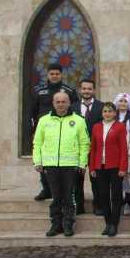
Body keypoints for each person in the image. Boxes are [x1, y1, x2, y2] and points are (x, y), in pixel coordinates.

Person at [32, 92, 89, 237]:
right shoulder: (44, 120)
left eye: (64, 101)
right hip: (50, 165)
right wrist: (38, 161)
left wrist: (82, 163)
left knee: (69, 197)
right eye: (58, 102)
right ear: (53, 103)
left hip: (70, 165)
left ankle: (68, 225)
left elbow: (84, 143)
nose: (61, 104)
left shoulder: (78, 120)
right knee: (56, 197)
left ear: (69, 103)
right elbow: (37, 142)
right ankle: (56, 225)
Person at [30, 63, 78, 201]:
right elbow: (32, 112)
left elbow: (75, 111)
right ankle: (46, 189)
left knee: (60, 161)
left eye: (57, 73)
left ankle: (63, 189)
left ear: (61, 74)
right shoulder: (39, 90)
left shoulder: (69, 90)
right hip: (44, 130)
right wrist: (33, 131)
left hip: (64, 129)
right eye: (52, 73)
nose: (54, 76)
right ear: (48, 75)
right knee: (44, 159)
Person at [88, 102, 129, 237]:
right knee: (103, 196)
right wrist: (92, 167)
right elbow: (93, 148)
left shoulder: (120, 127)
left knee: (116, 196)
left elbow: (124, 148)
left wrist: (123, 167)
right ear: (102, 113)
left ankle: (114, 223)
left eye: (110, 111)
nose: (107, 114)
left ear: (115, 113)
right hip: (100, 167)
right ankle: (107, 223)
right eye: (105, 111)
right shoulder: (96, 127)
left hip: (115, 167)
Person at [71, 79, 103, 215]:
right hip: (77, 149)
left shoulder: (102, 107)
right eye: (84, 89)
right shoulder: (73, 107)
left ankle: (98, 206)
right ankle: (79, 206)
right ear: (80, 90)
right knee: (77, 178)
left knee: (96, 179)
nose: (86, 91)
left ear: (94, 90)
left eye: (89, 89)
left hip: (96, 149)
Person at [114, 93, 130, 216]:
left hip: (128, 151)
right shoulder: (111, 116)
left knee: (127, 178)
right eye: (120, 101)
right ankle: (118, 202)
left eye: (125, 101)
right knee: (116, 178)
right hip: (114, 152)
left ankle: (127, 202)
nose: (122, 103)